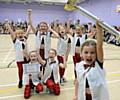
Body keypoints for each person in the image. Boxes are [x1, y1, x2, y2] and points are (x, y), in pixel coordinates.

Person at [73, 21, 109, 100]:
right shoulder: (78, 66)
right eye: (86, 52)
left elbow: (99, 46)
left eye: (92, 53)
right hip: (83, 96)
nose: (89, 55)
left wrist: (99, 28)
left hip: (97, 97)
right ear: (81, 54)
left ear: (96, 54)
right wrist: (75, 95)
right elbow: (77, 81)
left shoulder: (98, 64)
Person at [5, 20, 30, 88]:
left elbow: (28, 30)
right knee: (20, 70)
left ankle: (28, 81)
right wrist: (8, 25)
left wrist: (30, 24)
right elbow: (11, 32)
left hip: (27, 57)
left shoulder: (25, 38)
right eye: (18, 34)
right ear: (16, 35)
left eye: (21, 33)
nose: (20, 34)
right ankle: (20, 81)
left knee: (27, 70)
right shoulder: (15, 40)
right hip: (19, 58)